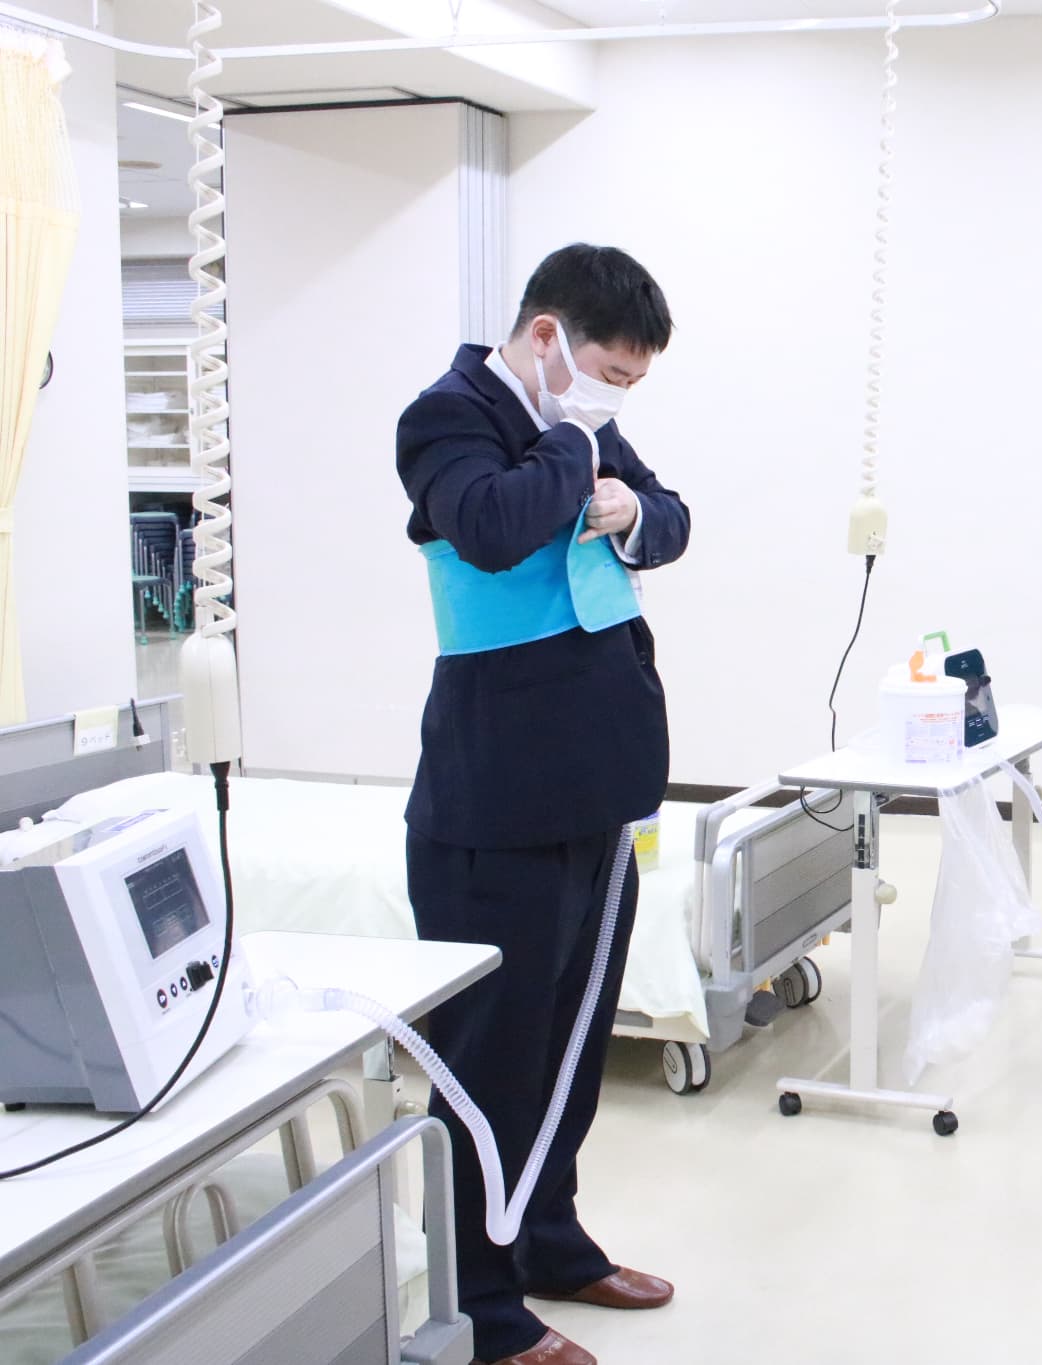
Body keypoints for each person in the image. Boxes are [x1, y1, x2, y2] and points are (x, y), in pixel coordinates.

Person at [395, 244, 690, 1365]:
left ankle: (550, 1242)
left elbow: (672, 518)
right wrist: (575, 443)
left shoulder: (588, 423)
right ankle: (479, 1305)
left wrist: (630, 507)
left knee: (570, 1042)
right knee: (493, 1062)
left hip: (598, 781)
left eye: (630, 386)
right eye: (609, 373)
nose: (615, 401)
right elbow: (490, 525)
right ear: (546, 336)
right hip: (497, 799)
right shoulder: (447, 416)